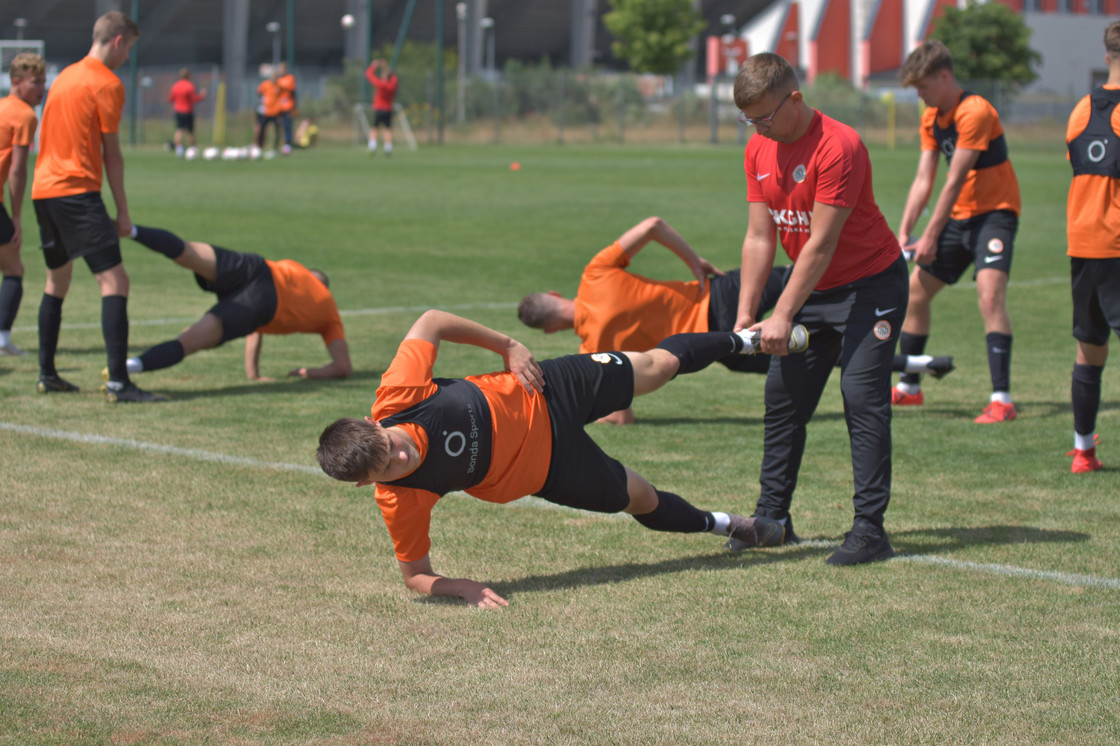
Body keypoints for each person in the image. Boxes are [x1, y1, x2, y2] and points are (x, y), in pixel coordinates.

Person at [317, 310, 788, 608]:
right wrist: (460, 586)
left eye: (391, 445)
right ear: (369, 484)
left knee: (658, 367)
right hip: (548, 470)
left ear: (375, 422)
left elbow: (431, 321)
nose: (403, 455)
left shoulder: (398, 394)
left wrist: (507, 345)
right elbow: (415, 576)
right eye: (390, 466)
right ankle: (727, 526)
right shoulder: (401, 498)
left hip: (546, 388)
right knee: (640, 498)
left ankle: (745, 340)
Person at [732, 52, 908, 565]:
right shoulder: (758, 148)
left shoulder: (840, 145)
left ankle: (870, 531)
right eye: (749, 121)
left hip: (871, 285)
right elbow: (760, 236)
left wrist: (783, 314)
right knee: (783, 399)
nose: (759, 129)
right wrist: (748, 313)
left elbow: (822, 244)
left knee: (861, 397)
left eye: (765, 117)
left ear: (796, 99)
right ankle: (772, 520)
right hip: (813, 289)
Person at [518, 216, 953, 424]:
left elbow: (623, 415)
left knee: (819, 354)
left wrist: (597, 414)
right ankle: (911, 344)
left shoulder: (593, 348)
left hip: (719, 343)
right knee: (815, 281)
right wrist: (695, 261)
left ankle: (919, 364)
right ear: (556, 296)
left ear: (551, 328)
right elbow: (653, 224)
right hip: (726, 292)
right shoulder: (594, 273)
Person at [30, 12, 161, 403]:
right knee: (115, 282)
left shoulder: (64, 77)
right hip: (76, 192)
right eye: (130, 49)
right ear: (118, 41)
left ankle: (47, 373)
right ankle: (120, 383)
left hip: (43, 191)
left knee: (57, 281)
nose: (128, 57)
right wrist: (122, 210)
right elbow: (112, 154)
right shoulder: (106, 82)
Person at [893, 40, 1021, 423]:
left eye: (924, 87)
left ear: (945, 76)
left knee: (989, 297)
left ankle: (1002, 399)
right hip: (957, 217)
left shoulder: (975, 112)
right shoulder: (932, 117)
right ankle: (910, 388)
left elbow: (954, 179)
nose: (921, 96)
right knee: (915, 295)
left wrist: (929, 236)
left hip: (994, 216)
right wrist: (904, 232)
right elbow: (923, 180)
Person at [119, 224, 351, 383]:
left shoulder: (294, 268)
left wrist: (254, 373)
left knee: (189, 252)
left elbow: (255, 331)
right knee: (187, 341)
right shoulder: (329, 313)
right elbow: (343, 367)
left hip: (258, 268)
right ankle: (124, 368)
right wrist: (305, 372)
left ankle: (128, 229)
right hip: (262, 305)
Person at [1064, 21, 1120, 473]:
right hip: (1118, 244)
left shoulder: (1081, 108)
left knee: (1090, 348)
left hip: (1083, 244)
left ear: (1107, 57)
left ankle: (1083, 451)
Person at [0, 52, 46, 357]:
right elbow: (17, 169)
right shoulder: (25, 115)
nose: (41, 89)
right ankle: (2, 339)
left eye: (43, 81)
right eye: (35, 82)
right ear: (16, 82)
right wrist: (17, 217)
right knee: (14, 268)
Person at [168, 68, 205, 157]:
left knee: (179, 130)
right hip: (188, 111)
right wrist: (202, 96)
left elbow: (170, 99)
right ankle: (193, 149)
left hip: (178, 111)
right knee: (190, 131)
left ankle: (179, 151)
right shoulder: (190, 86)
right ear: (188, 76)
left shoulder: (175, 85)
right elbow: (193, 99)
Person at [364, 58, 398, 156]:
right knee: (387, 129)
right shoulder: (392, 85)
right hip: (388, 109)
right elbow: (394, 78)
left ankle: (372, 147)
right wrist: (386, 67)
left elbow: (369, 75)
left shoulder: (380, 84)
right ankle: (388, 148)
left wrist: (374, 66)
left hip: (379, 108)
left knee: (374, 128)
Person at [255, 68, 282, 152]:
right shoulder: (265, 84)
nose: (274, 78)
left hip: (276, 112)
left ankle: (275, 146)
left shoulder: (279, 86)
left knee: (277, 130)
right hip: (266, 112)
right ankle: (259, 146)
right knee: (262, 129)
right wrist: (261, 104)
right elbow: (259, 92)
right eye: (273, 77)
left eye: (276, 77)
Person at [275, 62, 297, 155]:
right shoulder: (278, 79)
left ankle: (288, 143)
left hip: (288, 106)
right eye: (280, 69)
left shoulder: (290, 78)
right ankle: (279, 142)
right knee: (279, 125)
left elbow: (293, 92)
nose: (281, 71)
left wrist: (295, 106)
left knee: (288, 125)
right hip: (279, 107)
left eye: (282, 69)